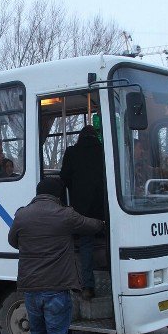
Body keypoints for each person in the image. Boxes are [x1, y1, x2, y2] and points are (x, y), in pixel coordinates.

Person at [8, 178, 103, 334]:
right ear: (57, 195)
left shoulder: (22, 215)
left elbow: (13, 241)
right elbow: (92, 225)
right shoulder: (65, 215)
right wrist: (104, 222)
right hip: (57, 288)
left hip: (31, 289)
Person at [59, 125, 105, 300]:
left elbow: (64, 177)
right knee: (108, 243)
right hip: (105, 208)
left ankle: (87, 286)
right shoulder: (103, 151)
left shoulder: (72, 152)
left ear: (80, 137)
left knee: (86, 245)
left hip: (81, 209)